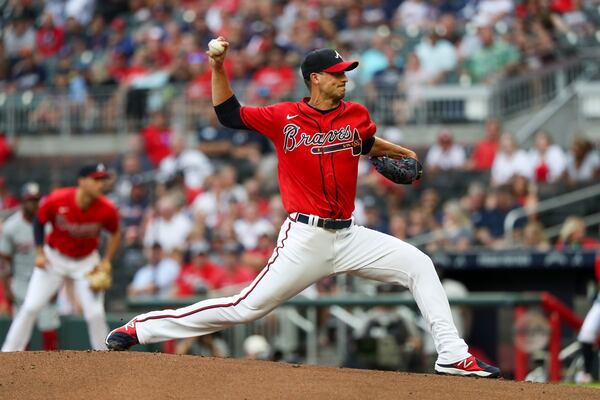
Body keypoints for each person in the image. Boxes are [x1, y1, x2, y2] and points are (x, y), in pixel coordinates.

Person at [106, 39, 500, 378]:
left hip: (350, 234)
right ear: (315, 78)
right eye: (337, 73)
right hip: (305, 238)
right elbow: (229, 114)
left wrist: (403, 153)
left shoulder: (356, 114)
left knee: (420, 265)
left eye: (345, 72)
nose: (344, 78)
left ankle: (452, 355)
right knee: (244, 308)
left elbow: (365, 143)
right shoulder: (283, 116)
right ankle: (141, 328)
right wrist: (217, 65)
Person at [2, 163, 121, 351]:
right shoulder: (58, 199)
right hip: (55, 259)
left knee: (95, 314)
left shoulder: (107, 208)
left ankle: (105, 358)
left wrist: (106, 260)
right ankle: (7, 354)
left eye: (103, 180)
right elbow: (39, 222)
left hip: (86, 262)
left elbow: (115, 233)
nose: (101, 184)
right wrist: (40, 252)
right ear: (82, 181)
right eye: (96, 179)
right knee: (31, 307)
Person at [0, 182, 60, 350]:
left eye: (36, 200)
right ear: (22, 201)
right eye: (29, 200)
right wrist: (6, 288)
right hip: (21, 283)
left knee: (49, 328)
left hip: (46, 279)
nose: (33, 204)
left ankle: (54, 372)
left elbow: (58, 257)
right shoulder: (11, 226)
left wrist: (56, 287)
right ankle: (23, 374)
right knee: (21, 331)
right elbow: (4, 261)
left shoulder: (49, 224)